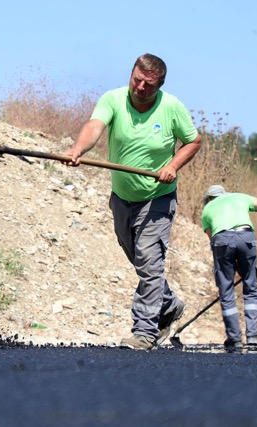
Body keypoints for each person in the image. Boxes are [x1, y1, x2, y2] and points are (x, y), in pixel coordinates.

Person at [64, 53, 202, 350]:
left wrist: (173, 166)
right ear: (131, 74)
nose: (140, 87)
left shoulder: (171, 107)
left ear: (159, 86)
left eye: (148, 85)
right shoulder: (113, 99)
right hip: (122, 199)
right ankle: (170, 304)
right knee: (141, 261)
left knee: (150, 262)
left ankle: (145, 331)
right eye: (137, 80)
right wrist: (78, 149)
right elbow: (95, 126)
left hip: (157, 200)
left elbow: (194, 141)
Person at [201, 184, 257, 351]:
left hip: (222, 240)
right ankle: (253, 335)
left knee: (226, 290)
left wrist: (232, 268)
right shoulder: (240, 197)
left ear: (209, 198)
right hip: (246, 237)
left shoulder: (207, 210)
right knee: (251, 286)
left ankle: (234, 338)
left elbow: (214, 242)